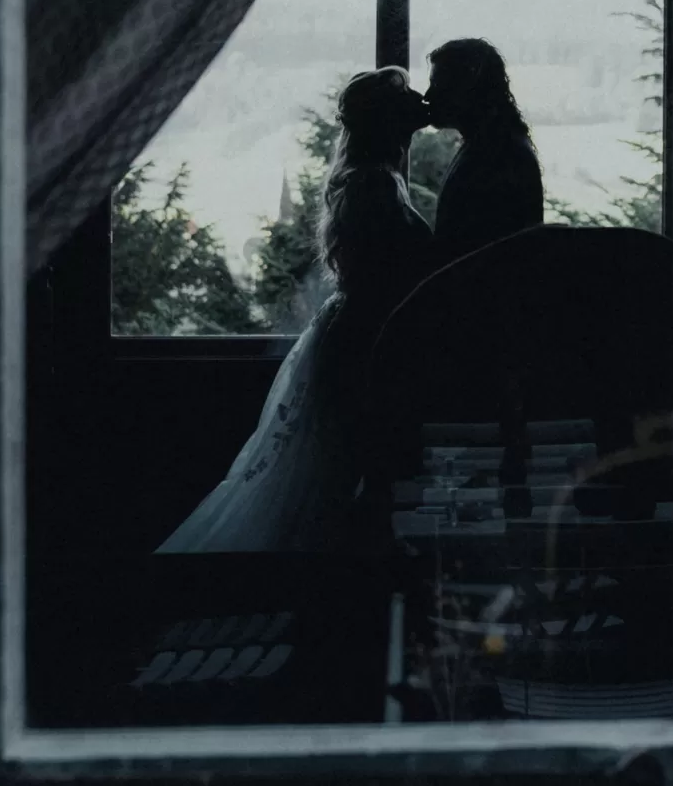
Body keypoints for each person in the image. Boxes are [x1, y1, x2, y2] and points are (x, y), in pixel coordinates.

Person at [157, 67, 433, 556]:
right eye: (404, 95)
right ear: (388, 118)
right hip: (366, 338)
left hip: (360, 330)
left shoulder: (375, 177)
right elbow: (384, 275)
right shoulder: (376, 186)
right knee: (344, 466)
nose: (419, 99)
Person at [423, 37, 545, 264]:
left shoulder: (497, 156)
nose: (428, 96)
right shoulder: (497, 146)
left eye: (439, 85)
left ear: (466, 87)